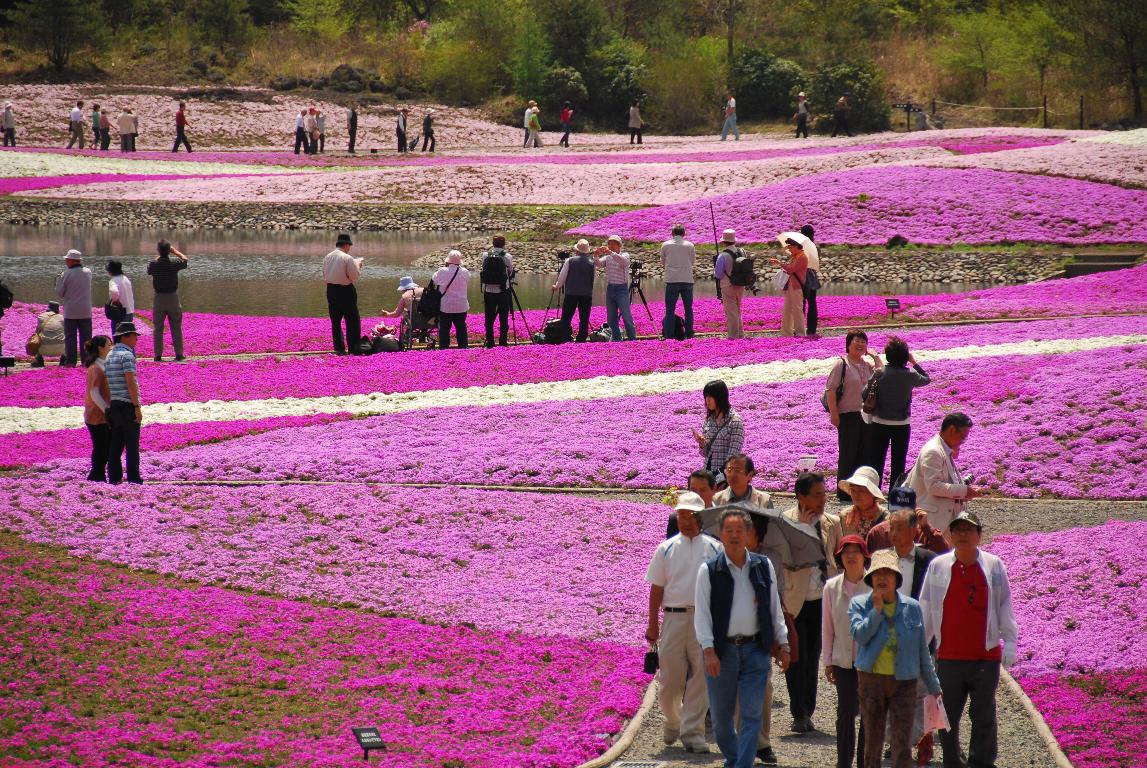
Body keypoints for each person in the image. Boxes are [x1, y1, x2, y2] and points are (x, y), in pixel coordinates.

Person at [919, 511, 1018, 768]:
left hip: (985, 653)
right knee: (948, 713)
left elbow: (1004, 603)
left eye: (968, 529)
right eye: (958, 529)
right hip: (950, 654)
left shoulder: (994, 565)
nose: (963, 534)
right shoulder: (938, 566)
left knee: (983, 712)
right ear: (950, 534)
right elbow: (926, 607)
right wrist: (919, 647)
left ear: (979, 535)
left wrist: (1010, 641)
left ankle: (981, 762)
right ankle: (953, 760)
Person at [695, 508, 790, 768]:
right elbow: (702, 615)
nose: (735, 536)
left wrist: (783, 643)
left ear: (749, 534)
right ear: (720, 535)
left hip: (755, 650)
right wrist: (708, 650)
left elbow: (774, 608)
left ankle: (741, 765)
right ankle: (736, 759)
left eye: (740, 530)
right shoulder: (709, 570)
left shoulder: (763, 565)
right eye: (729, 531)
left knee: (752, 715)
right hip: (722, 652)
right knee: (721, 719)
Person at [849, 551, 942, 768]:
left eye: (888, 573)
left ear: (896, 579)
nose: (882, 578)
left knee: (903, 742)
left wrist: (934, 685)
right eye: (878, 573)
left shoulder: (912, 607)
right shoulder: (859, 604)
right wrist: (877, 611)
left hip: (904, 682)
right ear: (870, 578)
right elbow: (859, 635)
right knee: (873, 742)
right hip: (872, 682)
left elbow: (922, 650)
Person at [645, 491, 722, 753]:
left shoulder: (714, 548)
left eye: (690, 515)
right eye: (681, 515)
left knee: (701, 678)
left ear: (701, 517)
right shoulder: (665, 548)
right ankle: (673, 720)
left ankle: (693, 733)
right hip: (673, 618)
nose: (685, 520)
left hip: (704, 619)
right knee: (669, 679)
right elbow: (656, 588)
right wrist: (652, 624)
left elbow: (722, 588)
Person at [877, 492, 941, 768]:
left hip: (922, 636)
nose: (893, 533)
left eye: (899, 527)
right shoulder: (881, 559)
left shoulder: (929, 560)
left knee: (926, 691)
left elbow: (938, 600)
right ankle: (896, 742)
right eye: (891, 527)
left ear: (914, 530)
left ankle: (926, 739)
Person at [782, 471, 842, 734]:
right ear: (801, 497)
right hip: (795, 600)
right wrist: (805, 531)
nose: (823, 499)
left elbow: (837, 558)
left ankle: (807, 710)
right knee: (796, 656)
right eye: (817, 495)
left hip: (821, 600)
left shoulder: (833, 521)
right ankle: (799, 711)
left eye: (824, 493)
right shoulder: (785, 520)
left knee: (813, 656)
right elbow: (785, 559)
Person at [822, 534, 872, 768]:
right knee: (845, 712)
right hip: (843, 660)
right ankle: (843, 761)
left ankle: (864, 761)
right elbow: (827, 626)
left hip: (870, 661)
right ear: (840, 557)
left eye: (856, 552)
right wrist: (828, 660)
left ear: (865, 557)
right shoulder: (831, 588)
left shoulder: (874, 587)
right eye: (846, 552)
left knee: (869, 714)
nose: (851, 556)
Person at [867, 336, 931, 491]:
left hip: (879, 423)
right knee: (898, 463)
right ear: (905, 356)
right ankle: (894, 497)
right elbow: (927, 379)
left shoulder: (879, 373)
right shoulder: (910, 375)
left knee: (877, 461)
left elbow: (864, 394)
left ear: (888, 356)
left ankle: (875, 494)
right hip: (901, 425)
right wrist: (914, 362)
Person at [826, 330, 882, 502]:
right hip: (847, 415)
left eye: (863, 342)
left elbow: (882, 374)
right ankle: (844, 492)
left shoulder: (866, 365)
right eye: (856, 341)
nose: (860, 344)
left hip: (866, 415)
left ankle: (860, 491)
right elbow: (831, 389)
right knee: (848, 453)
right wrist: (834, 413)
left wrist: (876, 357)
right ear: (848, 345)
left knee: (865, 453)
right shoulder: (841, 364)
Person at [905, 412, 980, 533]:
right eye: (963, 437)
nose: (963, 441)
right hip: (935, 521)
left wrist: (965, 490)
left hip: (944, 519)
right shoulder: (933, 451)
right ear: (951, 429)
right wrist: (965, 491)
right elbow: (934, 486)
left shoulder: (943, 448)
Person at [105, 321, 143, 485]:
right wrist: (136, 406)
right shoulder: (127, 355)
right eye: (134, 335)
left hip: (114, 404)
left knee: (116, 444)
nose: (136, 338)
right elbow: (131, 382)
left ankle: (114, 478)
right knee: (132, 445)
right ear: (125, 336)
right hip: (128, 405)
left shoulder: (109, 355)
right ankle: (134, 479)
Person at [693, 380, 744, 485]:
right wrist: (702, 444)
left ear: (720, 397)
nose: (707, 400)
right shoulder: (708, 420)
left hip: (724, 477)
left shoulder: (735, 421)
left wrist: (721, 477)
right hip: (708, 473)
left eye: (710, 397)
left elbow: (733, 456)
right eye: (706, 397)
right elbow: (705, 453)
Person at [322, 233, 363, 355]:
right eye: (349, 246)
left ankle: (339, 348)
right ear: (346, 245)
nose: (349, 248)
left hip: (331, 290)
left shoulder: (327, 257)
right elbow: (354, 277)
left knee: (335, 320)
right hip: (345, 290)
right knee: (352, 320)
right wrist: (358, 266)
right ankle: (353, 347)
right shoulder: (347, 258)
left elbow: (325, 275)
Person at [147, 240, 188, 362]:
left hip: (159, 298)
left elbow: (150, 269)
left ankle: (158, 355)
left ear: (158, 251)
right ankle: (179, 354)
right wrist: (174, 251)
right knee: (176, 326)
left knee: (158, 328)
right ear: (169, 251)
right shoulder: (174, 263)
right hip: (172, 297)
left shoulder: (153, 264)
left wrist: (161, 254)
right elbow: (185, 260)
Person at [54, 249, 93, 367]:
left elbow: (60, 293)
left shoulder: (65, 274)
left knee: (70, 338)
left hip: (71, 311)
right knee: (86, 338)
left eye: (67, 259)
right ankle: (86, 361)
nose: (66, 261)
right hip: (85, 310)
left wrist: (57, 282)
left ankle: (71, 362)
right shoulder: (88, 272)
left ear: (71, 260)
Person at [82, 335, 113, 483]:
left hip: (101, 414)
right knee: (101, 448)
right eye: (108, 345)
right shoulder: (95, 367)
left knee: (104, 448)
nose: (111, 348)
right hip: (96, 415)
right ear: (100, 348)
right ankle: (96, 477)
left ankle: (96, 476)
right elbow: (94, 393)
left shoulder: (103, 364)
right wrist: (107, 410)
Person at [552, 239, 595, 343]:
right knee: (584, 318)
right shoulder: (592, 263)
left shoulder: (570, 261)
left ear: (577, 251)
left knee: (566, 317)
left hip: (571, 293)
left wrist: (557, 286)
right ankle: (581, 338)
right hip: (586, 294)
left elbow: (563, 276)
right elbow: (594, 279)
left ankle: (566, 337)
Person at [595, 235, 635, 342]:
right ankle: (617, 339)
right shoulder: (608, 257)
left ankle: (632, 339)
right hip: (610, 288)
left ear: (619, 245)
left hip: (621, 289)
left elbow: (624, 262)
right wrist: (596, 255)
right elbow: (598, 264)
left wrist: (611, 253)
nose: (611, 246)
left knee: (626, 316)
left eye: (613, 243)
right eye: (609, 243)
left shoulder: (624, 255)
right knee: (611, 318)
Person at [660, 224, 696, 339]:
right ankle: (689, 333)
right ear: (684, 234)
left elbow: (663, 262)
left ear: (672, 233)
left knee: (670, 310)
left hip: (672, 280)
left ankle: (669, 335)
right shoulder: (690, 245)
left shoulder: (665, 245)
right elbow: (692, 261)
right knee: (688, 308)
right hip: (687, 279)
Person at [480, 235, 514, 348]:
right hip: (503, 290)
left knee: (489, 318)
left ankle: (490, 343)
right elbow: (510, 273)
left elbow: (483, 269)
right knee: (503, 318)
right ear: (504, 244)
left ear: (493, 243)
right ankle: (503, 342)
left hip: (489, 290)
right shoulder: (507, 256)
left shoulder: (485, 255)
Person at [714, 229, 748, 339]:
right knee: (738, 309)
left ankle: (733, 335)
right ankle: (740, 333)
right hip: (741, 284)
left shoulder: (722, 256)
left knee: (731, 311)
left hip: (727, 285)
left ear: (723, 242)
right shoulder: (743, 252)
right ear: (734, 241)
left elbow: (718, 274)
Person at [771, 235, 808, 336]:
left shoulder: (802, 257)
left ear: (797, 246)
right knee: (787, 309)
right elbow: (789, 266)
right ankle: (786, 332)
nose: (789, 249)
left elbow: (791, 269)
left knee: (797, 309)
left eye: (791, 247)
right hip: (789, 285)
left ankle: (800, 333)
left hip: (797, 287)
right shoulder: (794, 256)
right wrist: (787, 250)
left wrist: (780, 263)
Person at [433, 251, 470, 349]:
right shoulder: (465, 272)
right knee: (461, 327)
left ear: (448, 261)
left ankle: (444, 349)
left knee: (445, 328)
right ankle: (463, 347)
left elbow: (434, 280)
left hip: (446, 305)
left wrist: (442, 268)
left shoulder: (442, 271)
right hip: (461, 305)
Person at [667, 469, 719, 538]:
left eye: (702, 490)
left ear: (714, 489)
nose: (698, 495)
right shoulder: (676, 519)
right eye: (693, 490)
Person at [838, 466, 887, 540]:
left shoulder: (885, 517)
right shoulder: (843, 517)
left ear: (872, 493)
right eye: (853, 490)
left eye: (861, 491)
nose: (856, 495)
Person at [30, 302, 65, 367]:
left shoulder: (41, 316)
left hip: (43, 350)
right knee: (69, 336)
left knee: (35, 338)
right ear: (57, 310)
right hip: (61, 349)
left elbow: (37, 332)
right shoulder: (62, 317)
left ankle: (39, 361)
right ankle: (64, 360)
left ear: (48, 309)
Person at [105, 260, 134, 334]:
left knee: (118, 336)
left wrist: (115, 300)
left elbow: (114, 292)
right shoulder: (125, 278)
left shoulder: (113, 281)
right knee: (127, 335)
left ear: (111, 271)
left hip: (120, 313)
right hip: (129, 311)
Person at [800, 224, 819, 336]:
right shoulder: (816, 247)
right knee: (812, 303)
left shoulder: (803, 247)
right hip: (813, 276)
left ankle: (800, 328)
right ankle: (812, 329)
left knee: (801, 303)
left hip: (803, 276)